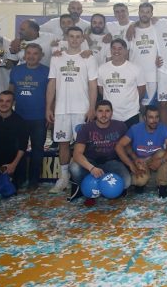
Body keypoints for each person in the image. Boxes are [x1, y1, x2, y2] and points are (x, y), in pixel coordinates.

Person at [46, 26, 99, 194]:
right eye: (72, 36)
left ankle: (82, 178)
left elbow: (93, 85)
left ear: (82, 39)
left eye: (78, 36)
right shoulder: (57, 58)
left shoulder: (88, 58)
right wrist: (48, 107)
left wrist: (92, 107)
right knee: (63, 144)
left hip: (81, 109)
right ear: (66, 38)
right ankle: (63, 178)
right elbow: (52, 83)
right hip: (61, 109)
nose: (75, 39)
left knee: (82, 145)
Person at [69, 100, 132, 206]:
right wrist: (91, 168)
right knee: (74, 167)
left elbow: (127, 148)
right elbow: (77, 154)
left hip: (111, 162)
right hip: (91, 163)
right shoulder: (86, 128)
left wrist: (133, 162)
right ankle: (86, 190)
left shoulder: (120, 126)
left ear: (112, 112)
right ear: (95, 112)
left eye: (107, 111)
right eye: (100, 111)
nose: (104, 114)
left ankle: (103, 189)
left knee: (126, 182)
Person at [8, 43, 49, 190]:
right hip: (19, 117)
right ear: (24, 55)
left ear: (41, 56)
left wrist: (50, 113)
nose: (31, 56)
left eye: (35, 53)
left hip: (39, 117)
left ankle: (33, 180)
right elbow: (10, 92)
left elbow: (51, 94)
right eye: (29, 53)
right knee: (19, 148)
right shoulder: (15, 70)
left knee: (38, 149)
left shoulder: (47, 71)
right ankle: (19, 178)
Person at [115, 106, 167, 198]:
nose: (154, 120)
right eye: (151, 117)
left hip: (155, 158)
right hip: (141, 161)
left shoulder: (164, 129)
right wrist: (132, 163)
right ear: (145, 118)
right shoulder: (135, 129)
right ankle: (140, 184)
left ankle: (162, 186)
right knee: (140, 181)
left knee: (163, 154)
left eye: (156, 117)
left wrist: (161, 161)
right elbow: (119, 146)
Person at [97, 38, 145, 128]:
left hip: (131, 114)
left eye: (120, 49)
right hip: (110, 116)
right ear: (110, 50)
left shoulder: (136, 68)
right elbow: (101, 90)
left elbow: (142, 90)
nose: (116, 51)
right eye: (114, 48)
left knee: (131, 137)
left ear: (126, 51)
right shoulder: (102, 69)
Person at [128, 2, 159, 109]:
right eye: (142, 12)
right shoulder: (131, 31)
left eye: (147, 12)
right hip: (135, 76)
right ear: (138, 13)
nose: (144, 14)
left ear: (151, 14)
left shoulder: (157, 29)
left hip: (153, 76)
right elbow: (126, 53)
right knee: (136, 107)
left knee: (152, 109)